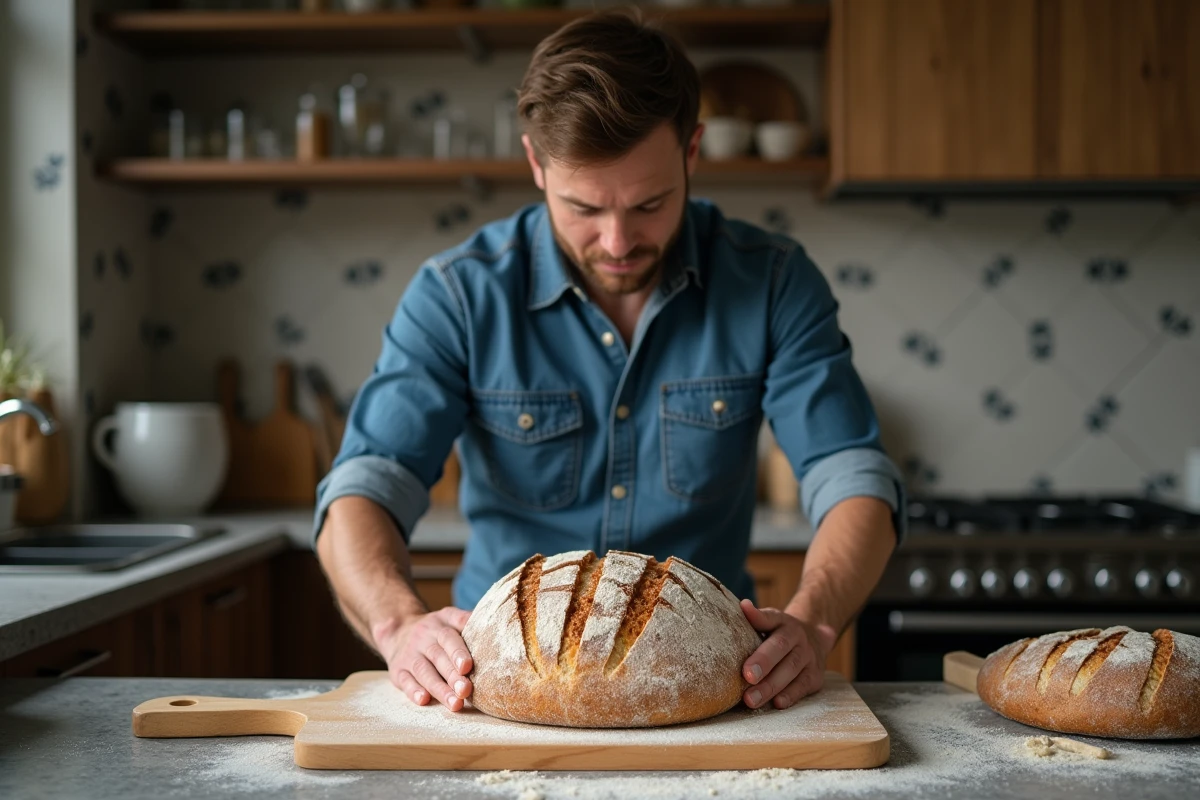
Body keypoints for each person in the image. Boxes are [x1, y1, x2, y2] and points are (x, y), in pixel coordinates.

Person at [313, 9, 905, 718]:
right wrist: (398, 624)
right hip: (491, 692)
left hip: (712, 695)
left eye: (649, 204)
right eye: (584, 207)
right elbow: (365, 487)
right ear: (536, 163)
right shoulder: (457, 295)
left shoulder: (773, 281)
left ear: (692, 150)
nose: (618, 239)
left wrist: (813, 621)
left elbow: (853, 475)